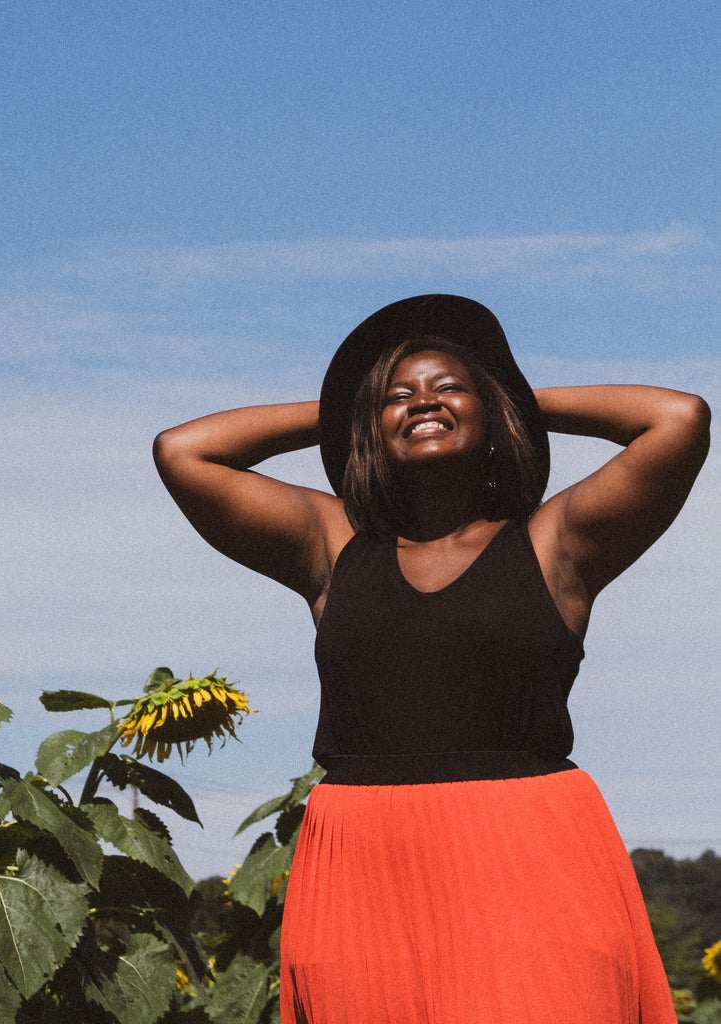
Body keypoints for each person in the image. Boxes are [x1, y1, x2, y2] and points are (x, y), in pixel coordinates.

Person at [153, 294, 710, 1023]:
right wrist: (348, 406)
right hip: (360, 867)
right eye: (397, 396)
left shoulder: (556, 546)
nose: (423, 401)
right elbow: (184, 450)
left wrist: (504, 392)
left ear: (492, 416)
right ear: (367, 426)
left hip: (531, 857)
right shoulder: (331, 546)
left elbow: (677, 419)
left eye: (448, 387)